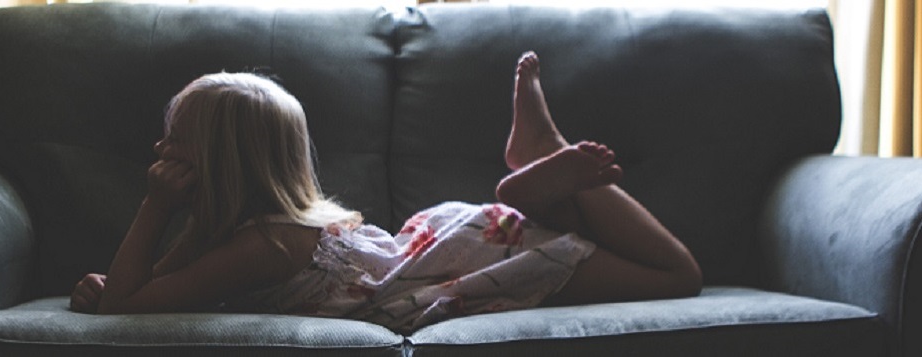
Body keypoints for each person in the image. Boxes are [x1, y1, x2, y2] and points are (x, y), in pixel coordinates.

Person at [69, 52, 702, 332]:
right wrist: (118, 289)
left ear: (221, 163)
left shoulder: (262, 245)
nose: (160, 154)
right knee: (579, 237)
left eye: (174, 142)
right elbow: (148, 294)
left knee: (677, 275)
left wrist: (154, 208)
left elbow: (131, 313)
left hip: (473, 259)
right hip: (464, 237)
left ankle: (542, 154)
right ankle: (539, 170)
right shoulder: (258, 235)